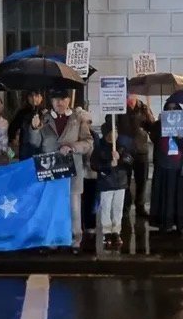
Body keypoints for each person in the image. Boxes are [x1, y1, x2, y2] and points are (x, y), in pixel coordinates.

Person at [27, 87, 94, 251]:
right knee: (52, 206)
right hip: (51, 169)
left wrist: (73, 147)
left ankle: (75, 239)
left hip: (73, 169)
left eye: (63, 99)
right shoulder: (44, 118)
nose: (60, 103)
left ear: (68, 100)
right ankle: (53, 238)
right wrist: (34, 128)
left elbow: (88, 142)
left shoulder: (78, 119)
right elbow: (35, 143)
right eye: (56, 100)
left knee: (74, 207)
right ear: (51, 102)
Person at [146, 102, 183, 235]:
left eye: (174, 109)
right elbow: (154, 138)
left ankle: (179, 223)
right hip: (163, 164)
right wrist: (157, 124)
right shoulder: (159, 124)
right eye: (169, 109)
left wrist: (180, 137)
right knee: (163, 194)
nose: (171, 111)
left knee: (177, 196)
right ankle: (163, 222)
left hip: (178, 166)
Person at [90, 122, 134, 250]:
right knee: (106, 207)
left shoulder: (122, 146)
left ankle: (116, 231)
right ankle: (106, 232)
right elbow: (94, 164)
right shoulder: (99, 147)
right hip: (106, 183)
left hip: (120, 182)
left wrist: (121, 158)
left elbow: (130, 161)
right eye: (112, 132)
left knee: (118, 208)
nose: (114, 135)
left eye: (116, 132)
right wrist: (109, 165)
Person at [116, 93, 155, 218]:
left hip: (141, 151)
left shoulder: (143, 108)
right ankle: (125, 207)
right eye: (128, 94)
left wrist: (149, 116)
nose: (130, 97)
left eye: (132, 94)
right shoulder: (119, 108)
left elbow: (152, 127)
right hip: (125, 151)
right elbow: (111, 124)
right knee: (125, 180)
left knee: (141, 181)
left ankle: (140, 207)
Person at [8, 89, 46, 161]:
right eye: (31, 96)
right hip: (25, 147)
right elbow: (12, 127)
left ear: (41, 98)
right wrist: (13, 139)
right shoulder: (22, 113)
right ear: (28, 98)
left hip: (41, 148)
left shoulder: (46, 113)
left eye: (37, 96)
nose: (34, 98)